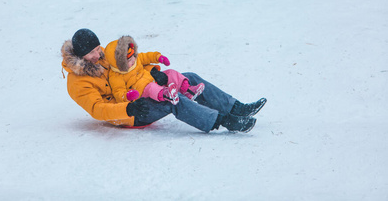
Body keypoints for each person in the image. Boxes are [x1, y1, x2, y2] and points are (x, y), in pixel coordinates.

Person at [61, 28, 267, 133]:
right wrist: (128, 109)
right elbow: (98, 109)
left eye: (98, 49)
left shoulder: (105, 56)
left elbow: (131, 68)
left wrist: (154, 72)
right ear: (80, 56)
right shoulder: (77, 82)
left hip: (142, 89)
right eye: (92, 53)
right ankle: (224, 121)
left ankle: (236, 107)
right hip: (130, 113)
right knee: (171, 99)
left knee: (189, 78)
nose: (98, 55)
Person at [104, 35, 205, 105]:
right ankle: (167, 95)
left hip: (151, 79)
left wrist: (158, 57)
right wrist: (128, 96)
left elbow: (147, 56)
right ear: (120, 64)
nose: (134, 60)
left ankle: (187, 90)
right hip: (142, 91)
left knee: (171, 73)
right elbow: (118, 93)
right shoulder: (116, 77)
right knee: (151, 87)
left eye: (133, 56)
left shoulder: (135, 59)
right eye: (129, 60)